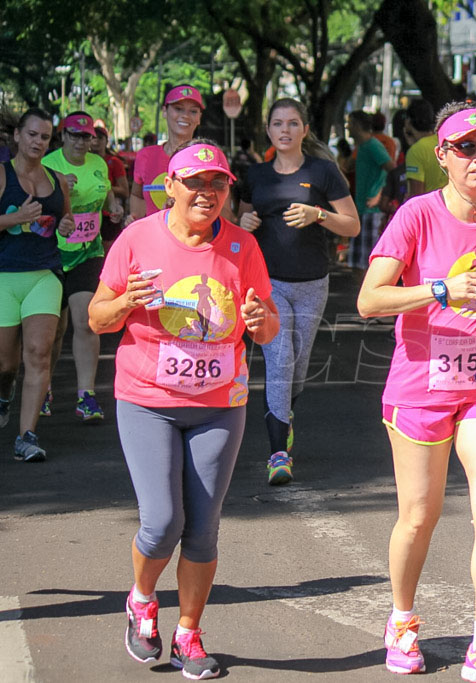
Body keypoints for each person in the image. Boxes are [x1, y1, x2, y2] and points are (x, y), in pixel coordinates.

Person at [357, 102, 476, 683]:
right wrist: (440, 289)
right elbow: (369, 300)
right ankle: (403, 620)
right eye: (466, 149)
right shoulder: (416, 215)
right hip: (421, 384)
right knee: (419, 516)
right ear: (442, 157)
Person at [88, 140, 278, 680]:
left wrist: (259, 318)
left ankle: (189, 633)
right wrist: (128, 302)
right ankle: (143, 600)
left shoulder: (243, 247)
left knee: (204, 529)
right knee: (164, 521)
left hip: (221, 403)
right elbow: (98, 318)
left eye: (216, 184)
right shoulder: (137, 239)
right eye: (194, 183)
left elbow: (268, 328)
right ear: (169, 186)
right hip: (148, 400)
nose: (206, 192)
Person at [238, 98, 360, 485]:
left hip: (312, 283)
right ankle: (278, 453)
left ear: (305, 130)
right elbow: (235, 227)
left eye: (293, 123)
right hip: (267, 283)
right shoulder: (255, 176)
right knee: (280, 361)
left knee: (298, 368)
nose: (285, 130)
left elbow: (353, 225)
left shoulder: (322, 172)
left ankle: (283, 418)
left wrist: (318, 214)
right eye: (278, 124)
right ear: (269, 131)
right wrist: (243, 220)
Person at [0, 108, 74, 461]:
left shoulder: (57, 180)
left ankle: (26, 436)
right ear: (17, 136)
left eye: (44, 137)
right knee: (5, 363)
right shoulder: (1, 175)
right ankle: (4, 393)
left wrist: (65, 226)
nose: (38, 142)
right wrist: (15, 218)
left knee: (39, 354)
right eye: (32, 135)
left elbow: (66, 217)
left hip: (45, 274)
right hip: (3, 275)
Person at [42, 112, 121, 422]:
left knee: (86, 320)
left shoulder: (99, 164)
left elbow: (106, 194)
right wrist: (61, 193)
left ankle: (85, 395)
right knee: (54, 329)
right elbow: (37, 208)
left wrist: (112, 208)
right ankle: (43, 388)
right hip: (51, 254)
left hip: (89, 252)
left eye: (86, 136)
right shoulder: (49, 165)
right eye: (74, 135)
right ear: (63, 137)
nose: (80, 141)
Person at [130, 85, 205, 219]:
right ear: (164, 111)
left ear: (199, 118)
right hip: (152, 237)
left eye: (193, 111)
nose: (185, 116)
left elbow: (223, 211)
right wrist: (135, 221)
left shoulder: (207, 159)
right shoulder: (145, 156)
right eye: (178, 109)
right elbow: (137, 195)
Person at [346, 110, 395, 268]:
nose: (347, 127)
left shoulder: (373, 145)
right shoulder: (363, 146)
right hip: (362, 210)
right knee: (356, 264)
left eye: (350, 123)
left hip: (371, 212)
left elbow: (392, 169)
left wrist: (379, 195)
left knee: (366, 264)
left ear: (357, 125)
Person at [92, 125, 130, 250]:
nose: (96, 141)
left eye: (100, 138)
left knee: (109, 251)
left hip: (109, 215)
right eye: (93, 137)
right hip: (89, 214)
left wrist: (102, 188)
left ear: (106, 141)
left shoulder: (114, 161)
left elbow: (125, 191)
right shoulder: (82, 162)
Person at [403, 99, 447, 199]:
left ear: (408, 121)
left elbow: (416, 195)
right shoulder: (444, 142)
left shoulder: (416, 151)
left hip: (429, 211)